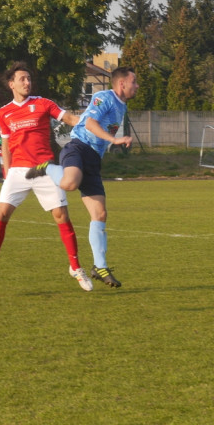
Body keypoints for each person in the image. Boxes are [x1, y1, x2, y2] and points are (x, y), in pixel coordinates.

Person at [0, 62, 94, 292]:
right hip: (18, 171)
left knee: (61, 215)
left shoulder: (43, 104)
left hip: (45, 169)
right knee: (2, 213)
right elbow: (5, 143)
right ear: (11, 84)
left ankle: (75, 267)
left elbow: (71, 119)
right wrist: (7, 173)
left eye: (29, 78)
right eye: (22, 79)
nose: (27, 82)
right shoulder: (4, 112)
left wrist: (92, 121)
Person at [27, 67, 138, 288]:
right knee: (69, 182)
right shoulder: (103, 97)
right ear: (122, 83)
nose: (137, 86)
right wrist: (113, 140)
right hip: (78, 148)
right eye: (134, 81)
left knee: (100, 213)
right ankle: (47, 167)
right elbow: (88, 123)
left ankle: (100, 266)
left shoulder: (122, 105)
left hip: (94, 159)